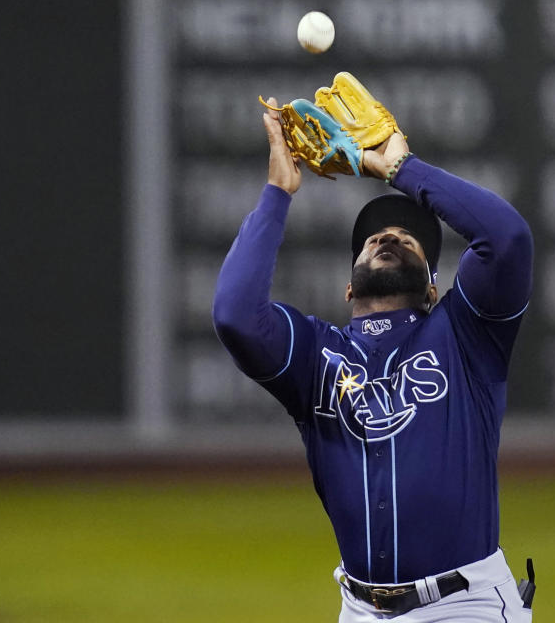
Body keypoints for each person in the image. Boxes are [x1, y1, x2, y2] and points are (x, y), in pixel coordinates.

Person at [213, 95, 534, 622]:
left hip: (465, 605)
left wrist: (402, 169)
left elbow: (507, 238)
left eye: (411, 239)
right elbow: (234, 314)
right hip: (360, 610)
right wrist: (277, 193)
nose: (389, 236)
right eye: (374, 237)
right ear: (348, 285)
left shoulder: (466, 335)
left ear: (433, 288)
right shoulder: (316, 356)